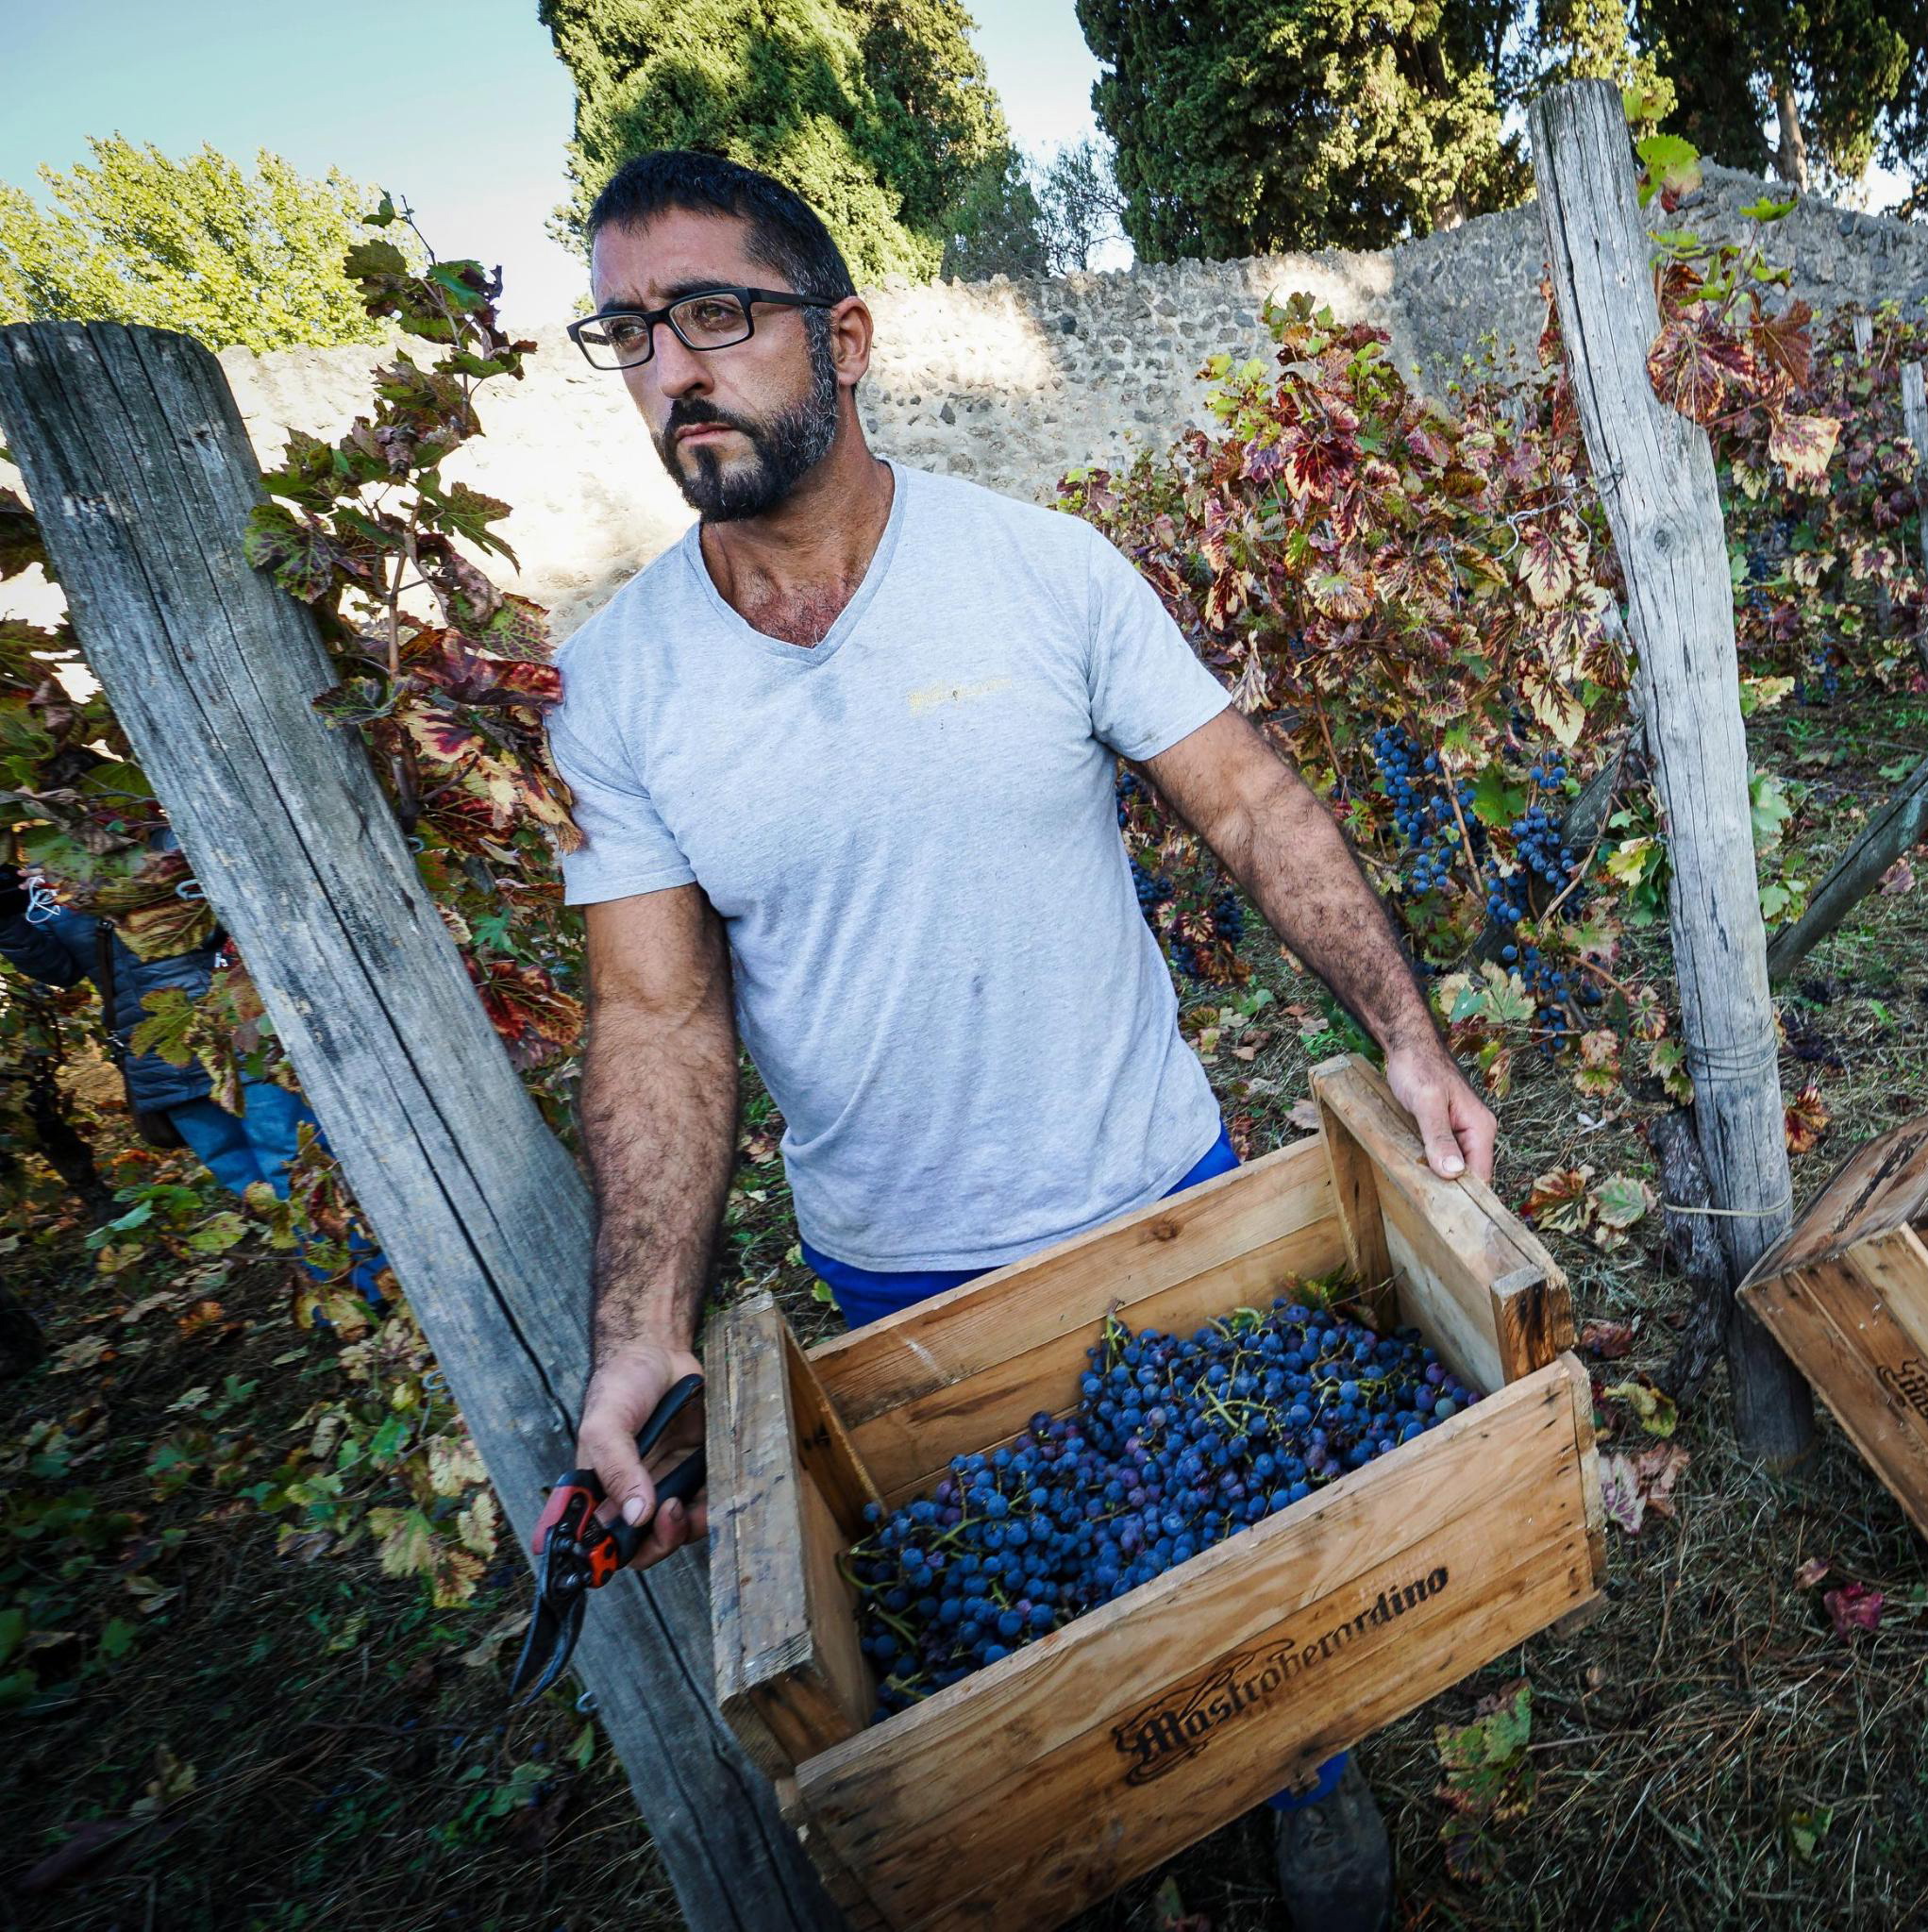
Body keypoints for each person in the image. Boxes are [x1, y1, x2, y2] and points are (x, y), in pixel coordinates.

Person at [541, 150, 1493, 1932]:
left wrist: (1409, 1036)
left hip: (1164, 1202)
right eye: (630, 332)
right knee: (1046, 1696)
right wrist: (635, 1337)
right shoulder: (617, 688)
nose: (673, 368)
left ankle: (1321, 1829)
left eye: (715, 315)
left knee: (1274, 1598)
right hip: (903, 1286)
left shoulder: (1044, 574)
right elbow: (656, 1018)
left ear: (842, 336)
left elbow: (1249, 806)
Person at [1, 870, 387, 1305]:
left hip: (235, 1032)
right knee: (241, 1175)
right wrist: (7, 918)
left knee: (290, 1159)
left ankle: (377, 1281)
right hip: (159, 1055)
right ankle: (340, 1293)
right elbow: (59, 970)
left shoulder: (163, 845)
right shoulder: (53, 888)